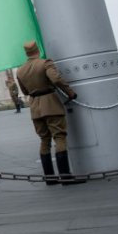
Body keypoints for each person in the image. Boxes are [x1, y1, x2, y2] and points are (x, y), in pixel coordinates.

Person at [16, 40, 83, 185]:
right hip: (50, 104)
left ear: (27, 53)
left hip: (34, 106)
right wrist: (70, 93)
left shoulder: (20, 70)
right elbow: (56, 78)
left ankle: (50, 178)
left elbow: (24, 91)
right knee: (59, 137)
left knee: (44, 140)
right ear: (37, 50)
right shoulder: (45, 63)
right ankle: (65, 175)